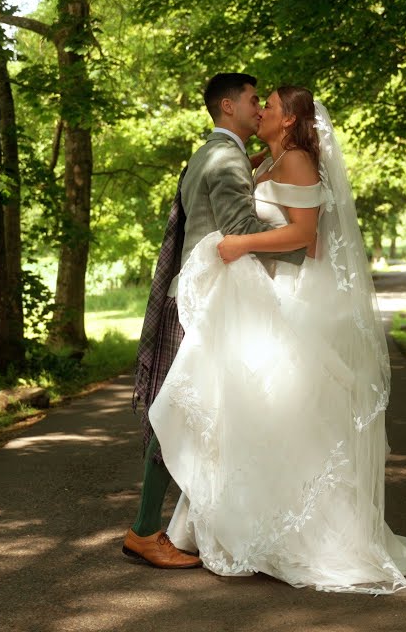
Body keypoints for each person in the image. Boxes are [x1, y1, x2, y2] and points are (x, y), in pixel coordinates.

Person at [148, 86, 406, 594]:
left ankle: (299, 532)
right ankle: (249, 520)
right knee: (256, 409)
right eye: (258, 102)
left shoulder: (296, 159)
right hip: (265, 292)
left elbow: (304, 234)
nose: (262, 110)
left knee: (284, 410)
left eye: (271, 106)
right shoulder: (273, 159)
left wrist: (239, 244)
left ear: (291, 118)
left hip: (295, 295)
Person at [123, 73, 306, 568]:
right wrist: (308, 237)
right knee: (180, 408)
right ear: (228, 106)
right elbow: (239, 227)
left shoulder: (212, 152)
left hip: (195, 292)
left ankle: (202, 521)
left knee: (197, 410)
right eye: (252, 100)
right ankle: (143, 530)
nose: (259, 108)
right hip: (202, 301)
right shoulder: (226, 157)